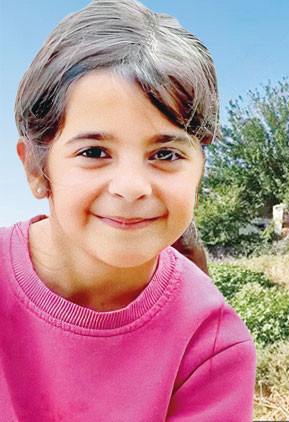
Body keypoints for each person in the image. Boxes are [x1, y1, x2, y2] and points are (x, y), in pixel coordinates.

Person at [0, 0, 255, 420]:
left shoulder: (213, 346)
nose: (132, 187)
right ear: (35, 168)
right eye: (94, 152)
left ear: (200, 171)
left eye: (166, 154)